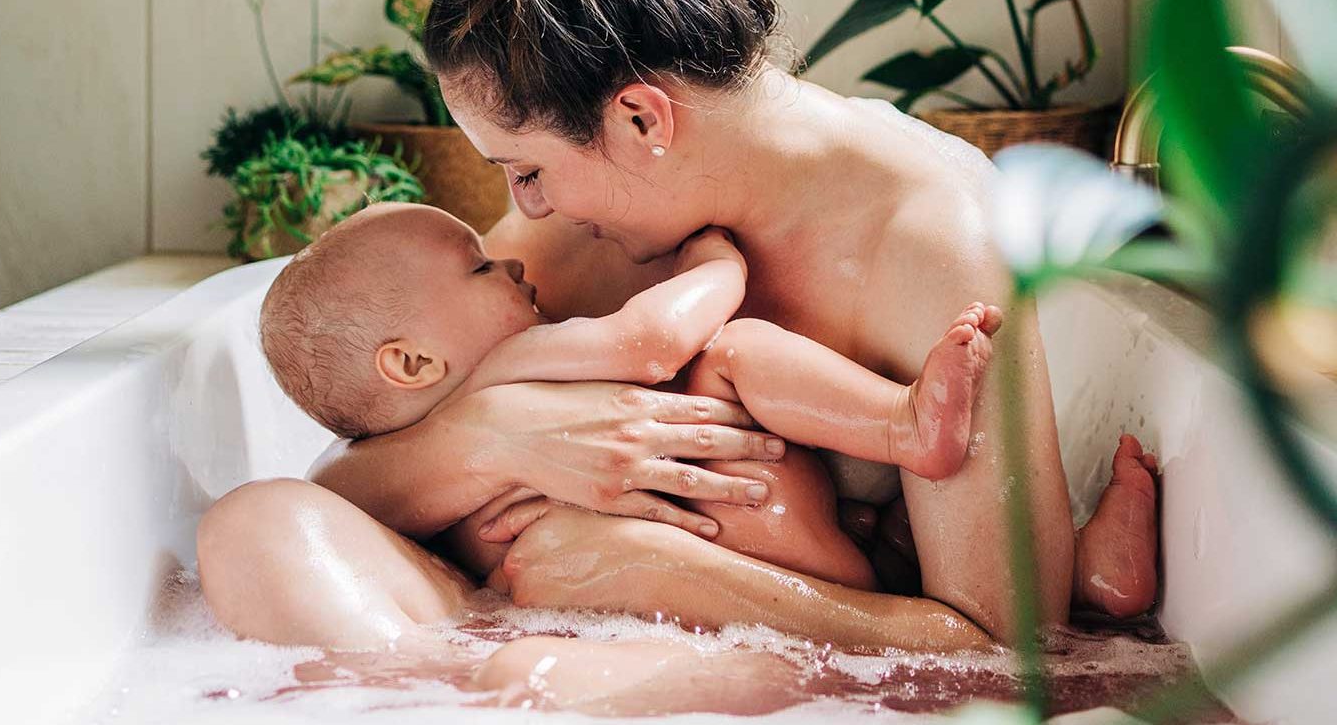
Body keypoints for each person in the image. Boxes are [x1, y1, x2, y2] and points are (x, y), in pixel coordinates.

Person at [199, 0, 1156, 661]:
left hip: (758, 644)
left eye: (526, 170)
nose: (519, 207)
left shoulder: (931, 248)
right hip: (550, 610)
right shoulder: (578, 230)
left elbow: (1006, 653)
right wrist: (492, 441)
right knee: (256, 527)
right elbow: (356, 469)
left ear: (639, 118)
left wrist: (672, 575)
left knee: (531, 683)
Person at [256, 201, 1005, 590]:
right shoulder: (509, 365)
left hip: (750, 549)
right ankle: (904, 425)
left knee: (886, 541)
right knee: (732, 353)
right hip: (739, 521)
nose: (512, 264)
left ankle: (1094, 572)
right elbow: (652, 342)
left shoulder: (410, 486)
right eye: (481, 269)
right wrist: (711, 254)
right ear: (414, 361)